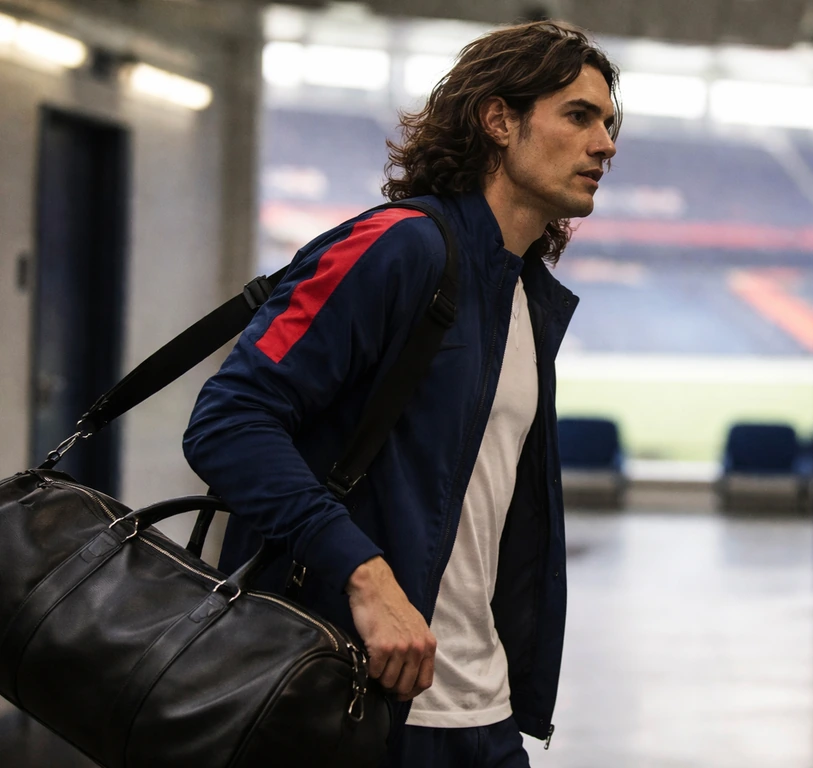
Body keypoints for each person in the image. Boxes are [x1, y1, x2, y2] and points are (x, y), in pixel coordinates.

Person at [183, 19, 620, 768]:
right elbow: (228, 422)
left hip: (482, 712)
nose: (605, 144)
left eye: (610, 124)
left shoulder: (525, 299)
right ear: (499, 119)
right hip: (348, 704)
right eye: (579, 116)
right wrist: (365, 573)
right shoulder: (398, 248)